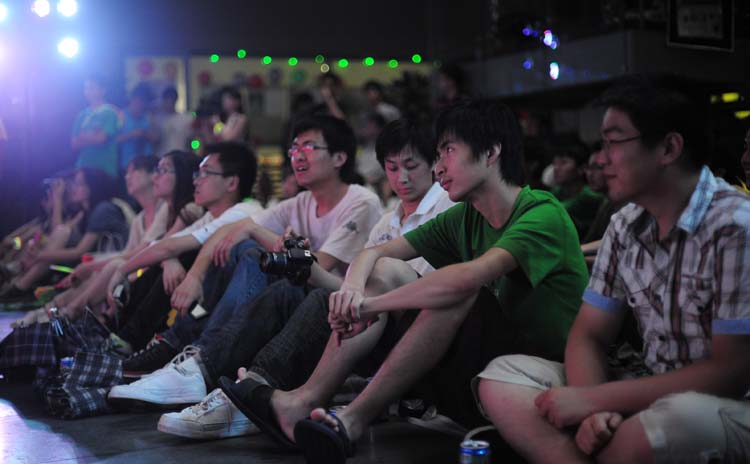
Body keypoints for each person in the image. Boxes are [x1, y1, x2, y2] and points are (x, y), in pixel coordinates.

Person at [214, 99, 588, 463]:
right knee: (383, 270)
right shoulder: (464, 217)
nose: (438, 168)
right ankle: (303, 399)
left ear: (491, 152)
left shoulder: (541, 213)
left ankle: (351, 417)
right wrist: (352, 292)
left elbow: (470, 276)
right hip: (470, 369)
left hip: (538, 374)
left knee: (457, 288)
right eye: (435, 156)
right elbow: (373, 254)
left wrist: (369, 306)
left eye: (448, 152)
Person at [476, 78, 750, 463]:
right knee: (502, 378)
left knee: (676, 421)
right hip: (647, 385)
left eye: (613, 142)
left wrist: (593, 398)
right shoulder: (626, 224)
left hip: (728, 405)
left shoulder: (736, 225)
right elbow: (588, 334)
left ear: (668, 148)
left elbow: (730, 373)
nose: (601, 160)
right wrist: (593, 411)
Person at [155, 118, 454, 439]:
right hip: (366, 324)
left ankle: (245, 391)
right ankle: (217, 374)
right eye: (392, 168)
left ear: (435, 163)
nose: (401, 177)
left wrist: (338, 286)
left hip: (418, 332)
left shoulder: (443, 207)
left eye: (411, 166)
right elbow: (354, 290)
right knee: (281, 277)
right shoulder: (386, 223)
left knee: (317, 290)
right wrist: (310, 270)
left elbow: (415, 292)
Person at [107, 114, 383, 409]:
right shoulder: (299, 203)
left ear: (339, 157)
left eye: (309, 147)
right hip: (296, 300)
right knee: (241, 249)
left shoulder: (360, 201)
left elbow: (317, 267)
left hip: (334, 311)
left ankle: (196, 361)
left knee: (251, 253)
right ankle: (186, 355)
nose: (298, 156)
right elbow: (224, 233)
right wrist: (196, 275)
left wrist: (253, 231)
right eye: (294, 148)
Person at [102, 143, 262, 350]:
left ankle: (128, 342)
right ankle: (121, 336)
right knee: (171, 260)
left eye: (205, 173)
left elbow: (171, 246)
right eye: (197, 173)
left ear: (231, 183)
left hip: (229, 311)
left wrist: (123, 270)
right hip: (206, 301)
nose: (196, 180)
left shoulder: (244, 211)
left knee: (184, 257)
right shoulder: (210, 216)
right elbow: (165, 246)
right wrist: (169, 259)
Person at [0, 168, 129, 301]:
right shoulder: (84, 212)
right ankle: (17, 280)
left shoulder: (103, 209)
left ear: (92, 187)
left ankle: (19, 282)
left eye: (79, 184)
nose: (73, 188)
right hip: (86, 259)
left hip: (107, 260)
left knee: (60, 233)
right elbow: (57, 232)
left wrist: (39, 255)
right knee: (43, 238)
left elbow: (78, 250)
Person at [551, 140, 606, 241]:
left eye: (563, 163)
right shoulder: (557, 191)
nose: (556, 168)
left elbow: (554, 209)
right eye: (554, 163)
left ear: (581, 169)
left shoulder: (591, 195)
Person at [70, 75, 120, 179]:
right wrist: (93, 136)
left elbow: (101, 139)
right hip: (83, 168)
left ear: (103, 90)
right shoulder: (81, 115)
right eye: (86, 88)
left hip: (104, 169)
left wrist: (84, 136)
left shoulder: (109, 112)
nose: (88, 91)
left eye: (92, 87)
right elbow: (74, 143)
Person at [116, 84, 157, 174]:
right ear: (132, 99)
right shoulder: (121, 116)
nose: (141, 104)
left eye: (144, 101)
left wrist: (144, 134)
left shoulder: (149, 117)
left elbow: (155, 139)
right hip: (126, 165)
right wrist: (131, 135)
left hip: (147, 166)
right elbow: (115, 140)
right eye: (139, 100)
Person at [153, 87, 194, 157]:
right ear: (163, 101)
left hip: (181, 156)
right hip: (162, 157)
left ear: (175, 100)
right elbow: (154, 140)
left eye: (171, 100)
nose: (169, 103)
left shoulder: (186, 118)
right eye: (166, 100)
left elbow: (192, 139)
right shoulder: (158, 119)